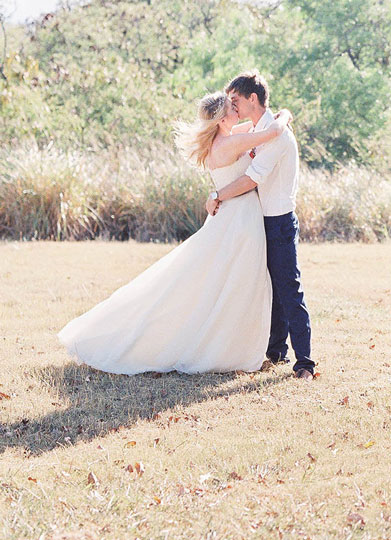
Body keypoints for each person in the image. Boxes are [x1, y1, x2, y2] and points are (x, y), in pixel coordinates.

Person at [58, 92, 293, 375]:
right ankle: (226, 347)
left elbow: (255, 129)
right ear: (221, 119)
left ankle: (235, 343)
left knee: (227, 281)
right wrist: (287, 113)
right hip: (240, 219)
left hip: (233, 216)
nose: (237, 110)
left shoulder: (224, 138)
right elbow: (273, 132)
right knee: (239, 282)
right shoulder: (231, 142)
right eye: (232, 108)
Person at [210, 70, 315, 380]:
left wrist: (217, 195)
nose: (233, 107)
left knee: (289, 290)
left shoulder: (276, 135)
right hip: (263, 221)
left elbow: (251, 179)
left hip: (279, 221)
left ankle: (305, 363)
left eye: (236, 101)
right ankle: (276, 351)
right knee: (273, 289)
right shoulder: (261, 127)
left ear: (252, 99)